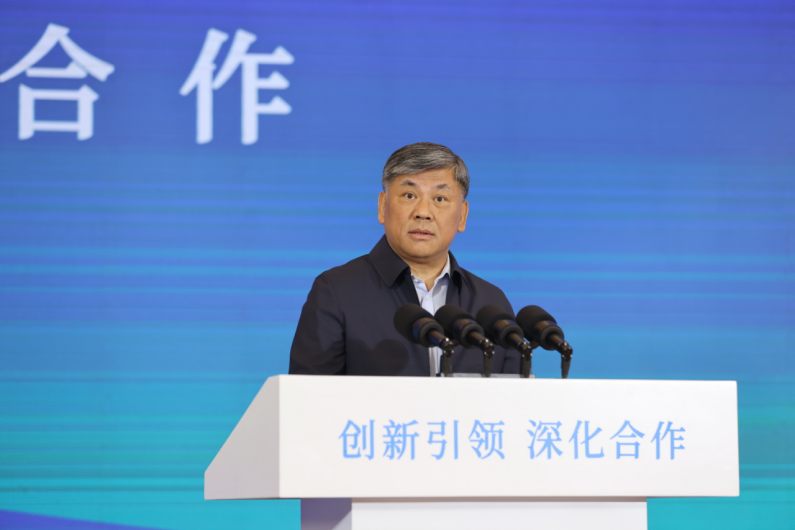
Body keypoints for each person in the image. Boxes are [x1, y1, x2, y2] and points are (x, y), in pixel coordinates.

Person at [289, 142, 519, 376]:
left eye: (440, 199)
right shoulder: (337, 292)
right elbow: (304, 394)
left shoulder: (491, 305)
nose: (423, 212)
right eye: (409, 195)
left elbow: (514, 395)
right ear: (383, 206)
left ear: (462, 215)